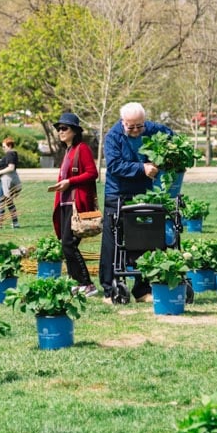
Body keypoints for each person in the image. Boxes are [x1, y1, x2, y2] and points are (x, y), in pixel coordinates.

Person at [99, 102, 173, 303]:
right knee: (112, 242)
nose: (136, 130)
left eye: (139, 126)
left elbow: (170, 135)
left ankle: (142, 290)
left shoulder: (150, 128)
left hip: (144, 193)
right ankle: (109, 289)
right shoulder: (113, 137)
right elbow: (114, 165)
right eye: (131, 127)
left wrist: (167, 153)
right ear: (123, 122)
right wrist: (142, 168)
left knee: (145, 239)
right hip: (118, 194)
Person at [51, 113, 98, 297]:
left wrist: (70, 182)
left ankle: (87, 284)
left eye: (64, 128)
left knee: (69, 244)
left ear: (75, 131)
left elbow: (92, 173)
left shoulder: (82, 148)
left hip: (75, 204)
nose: (60, 132)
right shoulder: (68, 151)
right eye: (58, 129)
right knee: (66, 244)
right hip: (65, 203)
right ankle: (77, 283)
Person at [0, 137, 22, 228]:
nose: (3, 148)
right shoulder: (12, 154)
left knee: (1, 201)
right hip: (5, 179)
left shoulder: (10, 154)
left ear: (9, 146)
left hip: (6, 180)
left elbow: (11, 167)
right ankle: (15, 222)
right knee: (8, 202)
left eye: (4, 146)